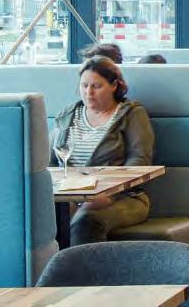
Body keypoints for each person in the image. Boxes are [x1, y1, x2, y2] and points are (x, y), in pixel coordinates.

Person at [53, 56, 155, 245]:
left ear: (114, 85)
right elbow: (50, 160)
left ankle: (83, 266)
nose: (89, 92)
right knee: (47, 217)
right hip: (70, 195)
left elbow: (139, 160)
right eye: (84, 86)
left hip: (123, 197)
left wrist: (109, 192)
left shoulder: (131, 113)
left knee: (86, 220)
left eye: (96, 86)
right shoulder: (67, 115)